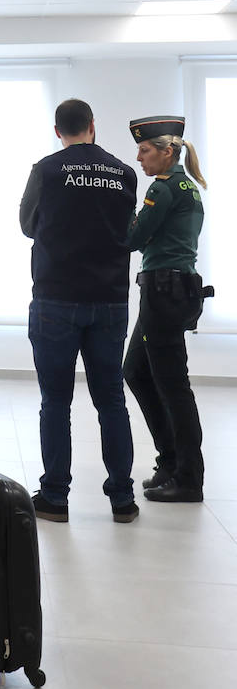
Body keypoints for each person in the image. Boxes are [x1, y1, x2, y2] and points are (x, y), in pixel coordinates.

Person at [19, 98, 139, 523]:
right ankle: (123, 499)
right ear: (92, 125)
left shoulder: (46, 171)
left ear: (58, 131)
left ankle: (55, 497)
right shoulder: (123, 173)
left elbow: (27, 226)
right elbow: (128, 229)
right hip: (110, 300)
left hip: (55, 299)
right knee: (111, 400)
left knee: (55, 402)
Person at [123, 116, 208, 504]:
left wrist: (123, 213)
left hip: (163, 293)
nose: (139, 158)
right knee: (136, 371)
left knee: (174, 387)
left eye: (144, 150)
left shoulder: (164, 187)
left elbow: (134, 238)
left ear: (167, 151)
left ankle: (188, 478)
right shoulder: (187, 187)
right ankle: (171, 461)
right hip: (172, 290)